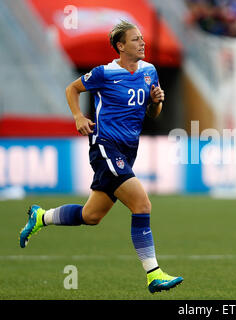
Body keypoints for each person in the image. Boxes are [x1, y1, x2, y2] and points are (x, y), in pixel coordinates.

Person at [18, 20, 183, 294]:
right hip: (106, 146)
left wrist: (157, 101)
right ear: (120, 46)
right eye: (135, 40)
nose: (143, 43)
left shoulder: (149, 72)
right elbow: (72, 89)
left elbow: (153, 114)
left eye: (142, 38)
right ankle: (154, 274)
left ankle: (41, 217)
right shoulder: (104, 74)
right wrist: (78, 116)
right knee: (142, 205)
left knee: (91, 215)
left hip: (129, 150)